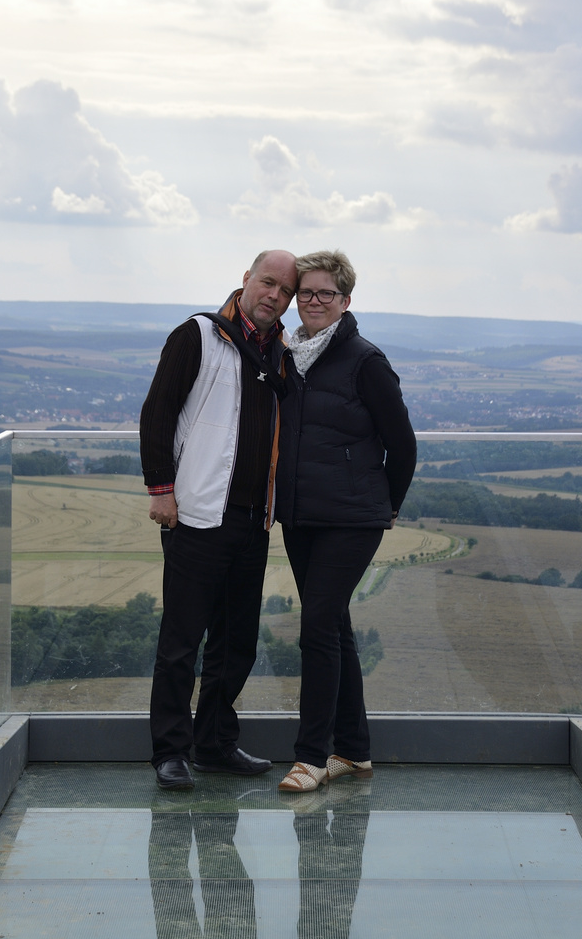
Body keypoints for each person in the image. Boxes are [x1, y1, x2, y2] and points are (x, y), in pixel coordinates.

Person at [140, 250, 298, 790]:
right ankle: (171, 751)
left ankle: (213, 743)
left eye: (285, 290)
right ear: (246, 280)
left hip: (254, 521)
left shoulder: (280, 352)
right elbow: (157, 411)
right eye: (267, 282)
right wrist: (162, 490)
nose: (274, 295)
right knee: (182, 641)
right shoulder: (198, 335)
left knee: (236, 644)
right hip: (198, 514)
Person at [274, 250, 415, 793]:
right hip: (301, 515)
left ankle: (310, 757)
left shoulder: (364, 360)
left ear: (345, 301)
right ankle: (353, 752)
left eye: (324, 294)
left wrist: (390, 506)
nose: (312, 301)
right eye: (304, 292)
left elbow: (402, 444)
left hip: (353, 518)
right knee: (333, 627)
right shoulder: (286, 355)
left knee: (316, 627)